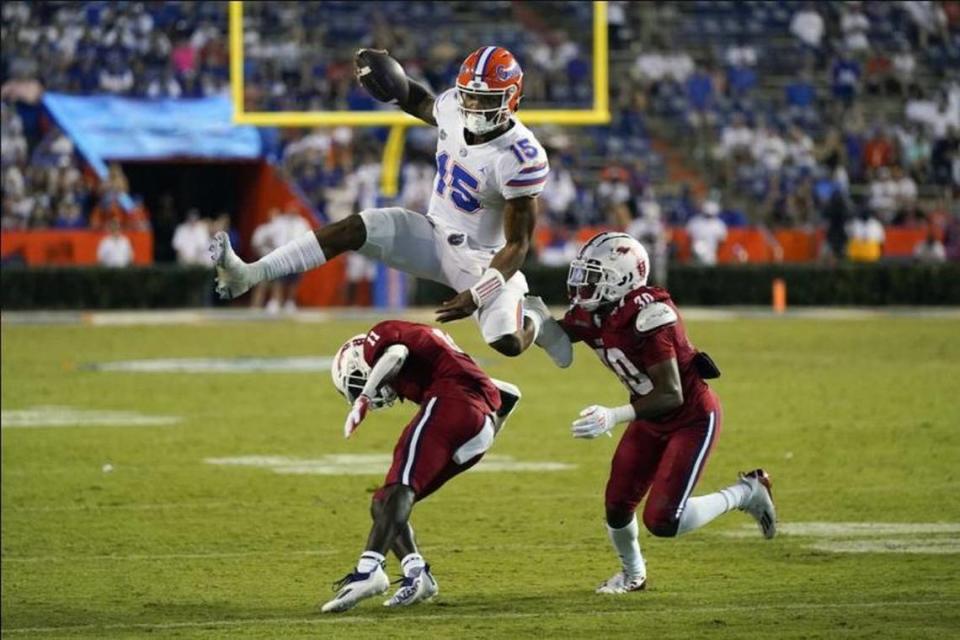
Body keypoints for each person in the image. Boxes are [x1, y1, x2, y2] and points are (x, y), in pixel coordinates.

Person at [211, 47, 570, 366]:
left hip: (482, 259)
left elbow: (518, 244)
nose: (474, 107)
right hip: (433, 234)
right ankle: (249, 274)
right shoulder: (453, 109)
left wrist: (477, 295)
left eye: (485, 99)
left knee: (505, 343)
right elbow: (421, 102)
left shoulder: (520, 156)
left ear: (511, 98)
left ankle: (536, 319)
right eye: (470, 97)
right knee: (352, 229)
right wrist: (392, 83)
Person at [553, 231, 776, 593]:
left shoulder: (650, 315)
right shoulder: (598, 313)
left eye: (594, 276)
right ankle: (633, 575)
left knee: (663, 520)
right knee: (617, 505)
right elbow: (552, 334)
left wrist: (613, 416)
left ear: (622, 278)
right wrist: (512, 310)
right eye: (583, 275)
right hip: (649, 417)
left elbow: (671, 394)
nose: (584, 285)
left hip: (689, 417)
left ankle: (747, 492)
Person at [321, 320, 522, 613]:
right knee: (384, 502)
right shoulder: (428, 366)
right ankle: (418, 574)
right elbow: (510, 394)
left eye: (357, 380)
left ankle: (369, 570)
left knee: (401, 483)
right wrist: (488, 435)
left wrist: (364, 396)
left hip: (453, 403)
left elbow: (397, 353)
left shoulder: (380, 340)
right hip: (479, 428)